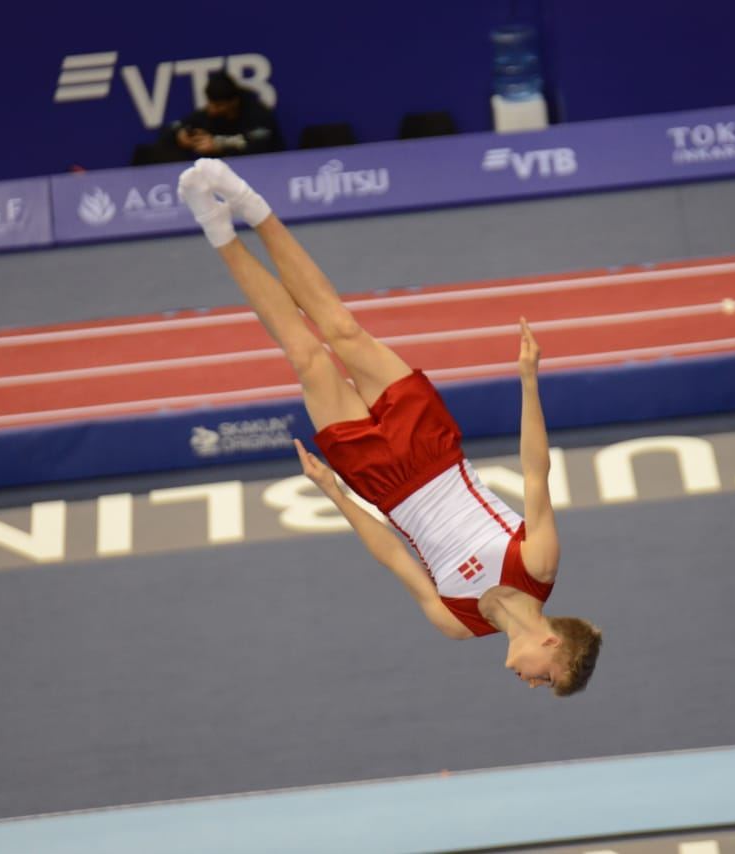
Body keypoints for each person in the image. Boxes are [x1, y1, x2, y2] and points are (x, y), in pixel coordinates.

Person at [177, 158, 602, 695]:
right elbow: (535, 470)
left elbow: (394, 553)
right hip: (432, 447)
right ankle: (251, 207)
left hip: (383, 485)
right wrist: (528, 378)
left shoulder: (456, 622)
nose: (534, 684)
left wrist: (334, 493)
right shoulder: (538, 565)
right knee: (342, 330)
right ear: (553, 644)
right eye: (549, 679)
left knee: (306, 356)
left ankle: (217, 229)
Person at [132, 73, 283, 165]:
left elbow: (261, 145)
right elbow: (170, 129)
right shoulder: (209, 115)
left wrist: (219, 145)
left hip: (264, 172)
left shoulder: (257, 113)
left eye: (218, 105)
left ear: (233, 102)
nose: (212, 110)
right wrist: (180, 135)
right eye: (210, 104)